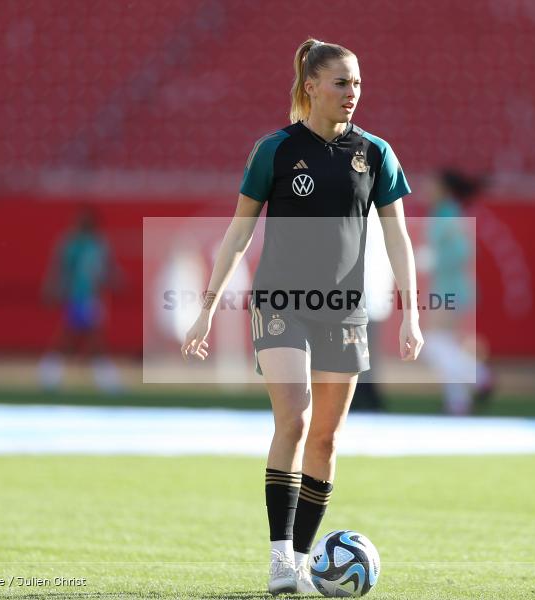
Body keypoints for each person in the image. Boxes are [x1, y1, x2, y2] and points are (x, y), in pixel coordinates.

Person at [180, 38, 423, 595]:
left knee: (326, 441)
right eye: (341, 83)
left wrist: (411, 315)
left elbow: (399, 237)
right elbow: (239, 233)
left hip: (345, 311)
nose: (352, 93)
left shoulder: (377, 154)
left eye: (357, 83)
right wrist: (207, 309)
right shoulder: (275, 150)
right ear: (310, 86)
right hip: (281, 304)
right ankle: (278, 562)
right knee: (295, 418)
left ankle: (305, 561)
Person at [423, 170, 493, 415]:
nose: (426, 187)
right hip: (449, 286)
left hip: (450, 287)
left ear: (444, 188)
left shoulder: (447, 213)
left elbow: (463, 251)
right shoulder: (445, 212)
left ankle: (479, 375)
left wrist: (431, 260)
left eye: (432, 183)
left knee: (433, 343)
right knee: (447, 345)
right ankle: (458, 402)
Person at [39, 206, 124, 393]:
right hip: (79, 296)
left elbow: (106, 268)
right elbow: (61, 268)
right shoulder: (72, 244)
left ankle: (49, 374)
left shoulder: (99, 244)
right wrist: (54, 288)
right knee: (87, 338)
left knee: (76, 339)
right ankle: (108, 382)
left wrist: (116, 279)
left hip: (93, 298)